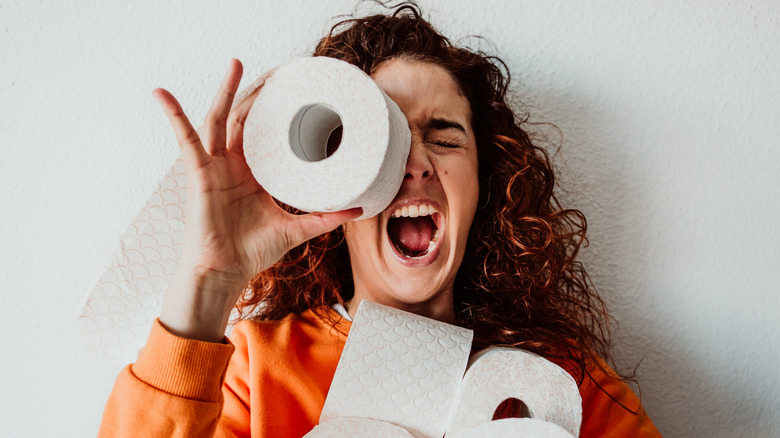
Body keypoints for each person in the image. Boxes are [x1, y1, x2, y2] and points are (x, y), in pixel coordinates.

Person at [99, 4, 661, 437]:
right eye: (382, 143)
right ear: (331, 182)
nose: (415, 164)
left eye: (444, 137)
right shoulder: (258, 372)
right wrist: (209, 278)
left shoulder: (560, 383)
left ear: (484, 186)